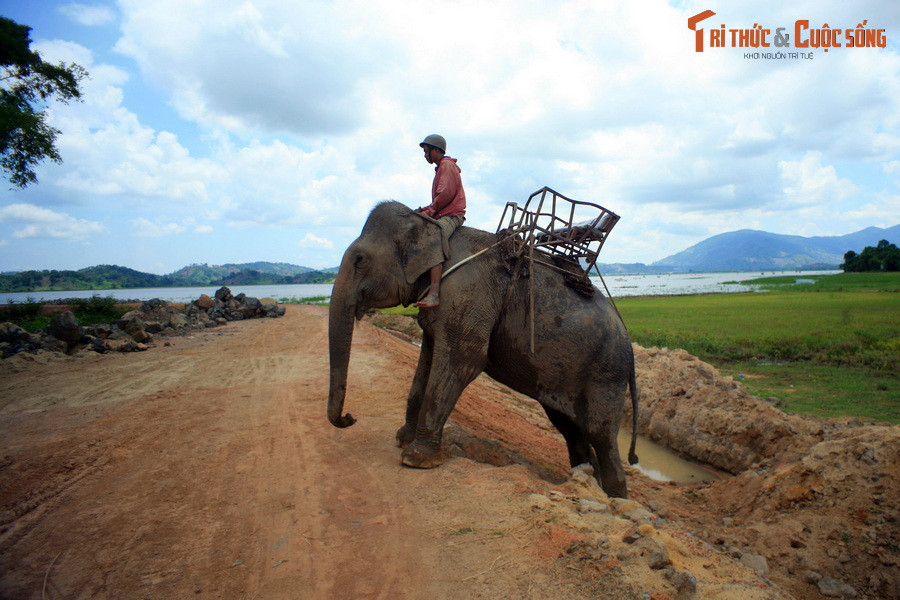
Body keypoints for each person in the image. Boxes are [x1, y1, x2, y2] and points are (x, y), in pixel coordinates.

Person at [414, 134, 467, 308]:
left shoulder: (446, 165)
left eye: (426, 151)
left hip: (451, 216)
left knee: (435, 239)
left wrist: (430, 211)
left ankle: (434, 294)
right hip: (442, 213)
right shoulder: (442, 167)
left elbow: (445, 194)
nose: (425, 155)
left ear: (436, 150)